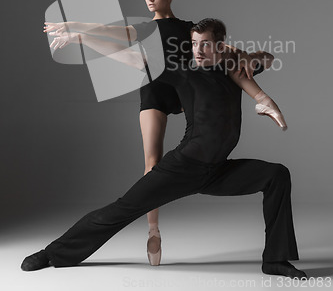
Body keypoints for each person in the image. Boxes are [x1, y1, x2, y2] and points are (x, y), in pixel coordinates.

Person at [23, 18, 306, 279]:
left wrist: (248, 56)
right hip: (183, 167)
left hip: (218, 169)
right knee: (122, 209)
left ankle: (275, 261)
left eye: (205, 44)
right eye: (194, 43)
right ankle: (53, 253)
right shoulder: (183, 72)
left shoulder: (232, 70)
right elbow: (131, 56)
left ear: (220, 46)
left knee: (276, 175)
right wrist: (83, 38)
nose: (198, 50)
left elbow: (268, 58)